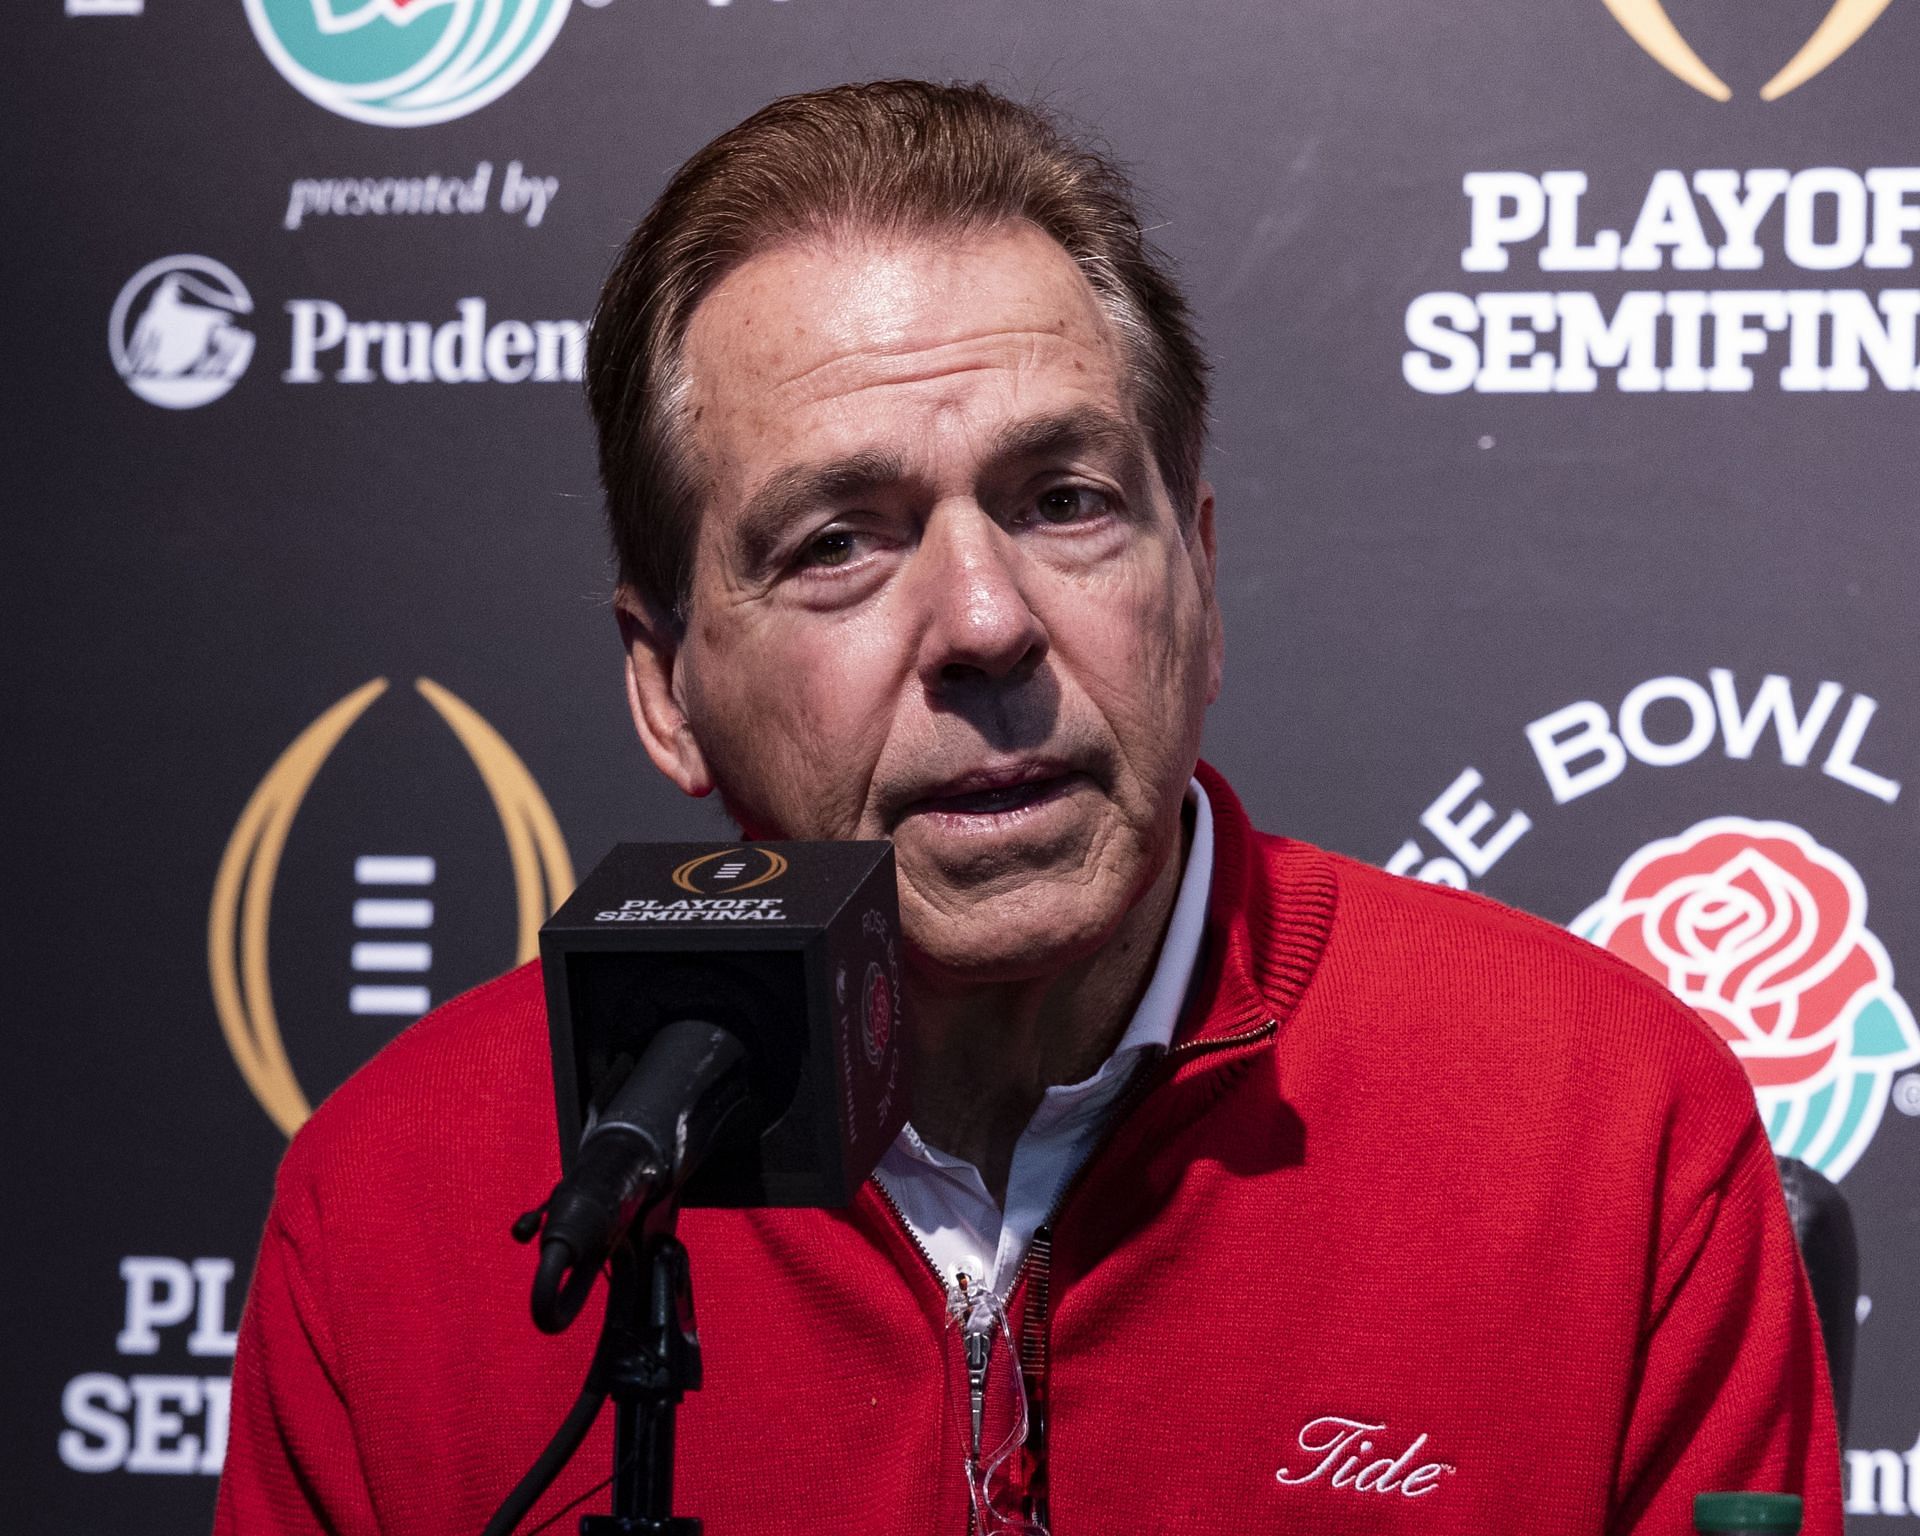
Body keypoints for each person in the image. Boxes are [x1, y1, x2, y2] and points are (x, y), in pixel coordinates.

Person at [215, 80, 1843, 1535]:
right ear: (665, 683)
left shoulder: (1603, 1129)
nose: (987, 623)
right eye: (841, 541)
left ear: (1197, 576)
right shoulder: (401, 1212)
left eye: (1064, 503)